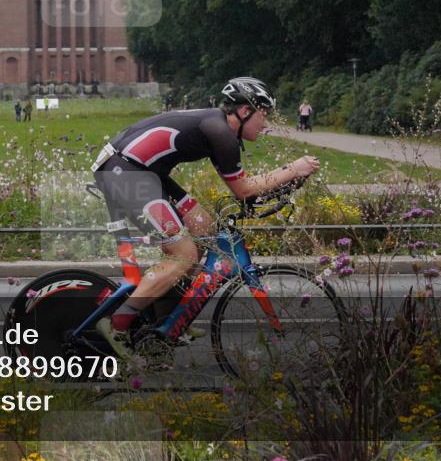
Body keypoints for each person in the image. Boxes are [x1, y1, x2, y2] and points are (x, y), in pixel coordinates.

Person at [91, 76, 321, 357]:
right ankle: (117, 325)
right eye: (264, 115)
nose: (266, 124)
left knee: (206, 230)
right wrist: (292, 170)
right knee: (184, 254)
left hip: (140, 171)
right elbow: (245, 191)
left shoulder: (219, 127)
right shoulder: (221, 133)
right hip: (126, 173)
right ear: (245, 111)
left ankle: (168, 320)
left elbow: (245, 191)